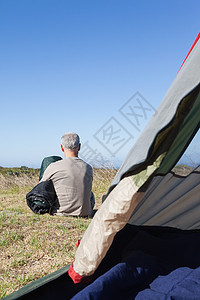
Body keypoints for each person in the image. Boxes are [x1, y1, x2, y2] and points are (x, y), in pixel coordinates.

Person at [40, 132, 94, 217]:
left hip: (61, 213)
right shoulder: (88, 168)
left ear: (62, 147)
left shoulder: (54, 166)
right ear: (79, 147)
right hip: (85, 213)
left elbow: (41, 188)